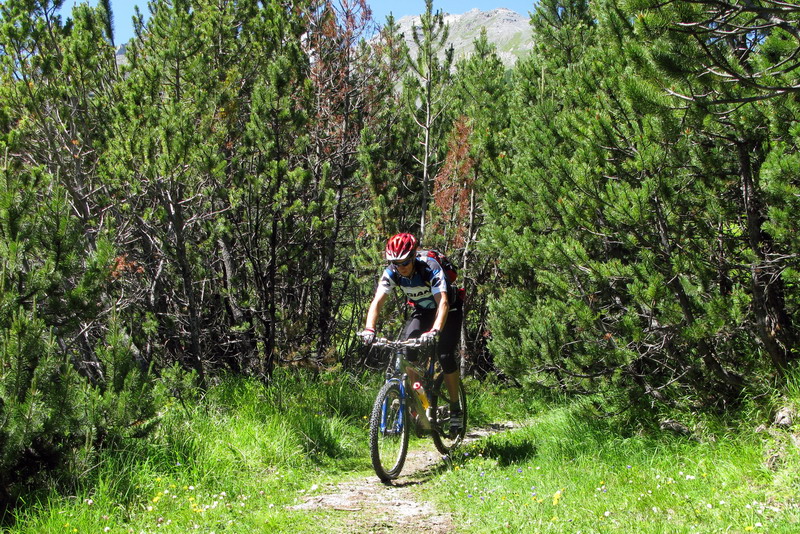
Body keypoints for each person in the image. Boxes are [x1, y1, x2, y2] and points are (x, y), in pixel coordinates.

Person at [359, 233, 464, 434]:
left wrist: (435, 330)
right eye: (395, 263)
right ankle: (422, 404)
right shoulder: (392, 272)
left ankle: (455, 407)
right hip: (423, 310)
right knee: (407, 351)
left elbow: (443, 302)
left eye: (405, 262)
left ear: (414, 256)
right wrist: (369, 329)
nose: (401, 267)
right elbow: (377, 302)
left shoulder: (429, 267)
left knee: (445, 354)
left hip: (449, 310)